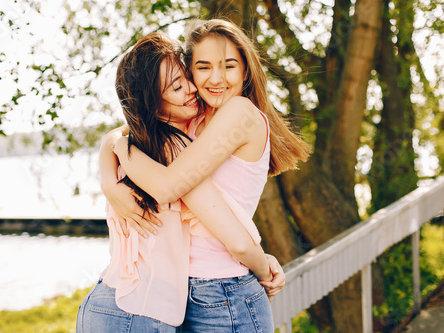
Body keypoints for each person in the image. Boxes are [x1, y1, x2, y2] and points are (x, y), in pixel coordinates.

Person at [107, 19, 310, 332]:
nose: (216, 79)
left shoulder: (240, 113)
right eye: (203, 67)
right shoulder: (195, 116)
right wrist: (110, 182)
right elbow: (118, 134)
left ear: (246, 70)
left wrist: (262, 268)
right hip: (181, 290)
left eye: (228, 66)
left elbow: (166, 186)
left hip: (223, 292)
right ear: (190, 72)